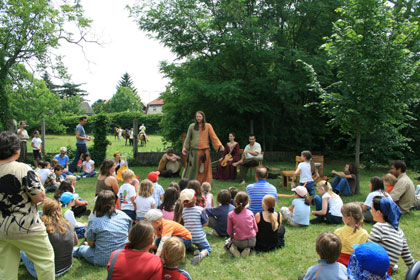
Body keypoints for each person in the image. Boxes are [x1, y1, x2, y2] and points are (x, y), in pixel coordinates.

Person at [0, 131, 54, 280]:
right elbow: (39, 197)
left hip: (1, 228)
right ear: (16, 150)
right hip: (27, 227)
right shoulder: (23, 169)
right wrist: (38, 181)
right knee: (45, 261)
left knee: (6, 268)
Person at [20, 198, 78, 278]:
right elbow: (75, 242)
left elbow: (33, 251)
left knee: (21, 249)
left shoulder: (43, 229)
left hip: (48, 272)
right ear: (59, 210)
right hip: (68, 266)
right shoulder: (68, 224)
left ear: (45, 210)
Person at [73, 190, 131, 267]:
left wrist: (90, 245)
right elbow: (127, 235)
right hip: (122, 256)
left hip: (102, 259)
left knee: (81, 249)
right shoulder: (124, 216)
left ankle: (63, 252)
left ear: (97, 203)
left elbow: (90, 243)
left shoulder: (94, 221)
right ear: (114, 202)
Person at [368, 196, 414, 275]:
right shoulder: (399, 231)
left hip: (373, 270)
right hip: (386, 273)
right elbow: (407, 257)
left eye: (371, 209)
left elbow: (367, 251)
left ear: (378, 213)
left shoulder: (379, 227)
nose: (370, 211)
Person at [182, 111, 224, 184]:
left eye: (200, 117)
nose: (198, 118)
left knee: (204, 169)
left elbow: (213, 136)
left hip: (204, 152)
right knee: (192, 169)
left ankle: (204, 184)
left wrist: (219, 146)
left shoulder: (208, 126)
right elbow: (188, 138)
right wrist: (185, 148)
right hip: (194, 152)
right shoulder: (191, 126)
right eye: (197, 117)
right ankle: (191, 183)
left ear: (203, 117)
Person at [180, 189, 211, 265]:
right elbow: (205, 224)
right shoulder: (200, 209)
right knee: (207, 249)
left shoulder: (183, 211)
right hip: (199, 238)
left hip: (188, 237)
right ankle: (201, 254)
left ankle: (190, 248)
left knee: (190, 244)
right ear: (195, 199)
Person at [334, 202, 369, 266]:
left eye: (343, 215)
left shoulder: (338, 232)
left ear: (349, 218)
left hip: (339, 263)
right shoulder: (364, 233)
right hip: (355, 264)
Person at [226, 191, 258, 258]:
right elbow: (256, 229)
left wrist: (232, 237)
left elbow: (229, 231)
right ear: (247, 202)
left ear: (235, 201)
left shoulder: (231, 214)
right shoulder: (250, 213)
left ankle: (234, 249)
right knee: (245, 242)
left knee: (227, 242)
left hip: (238, 241)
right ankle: (247, 249)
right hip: (252, 241)